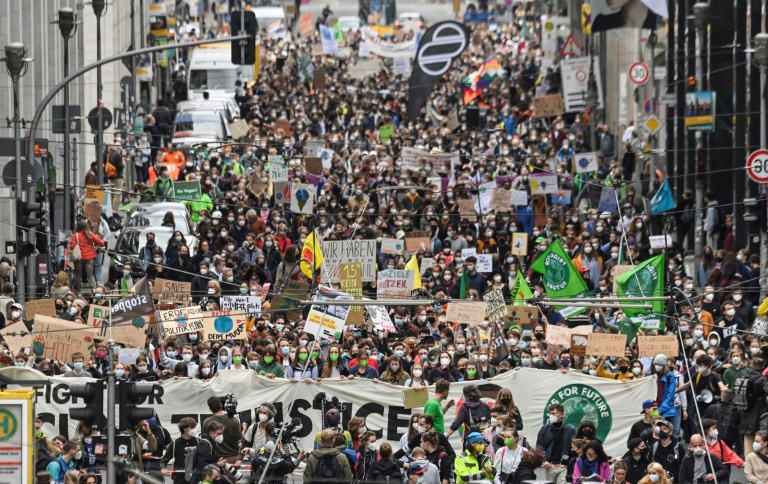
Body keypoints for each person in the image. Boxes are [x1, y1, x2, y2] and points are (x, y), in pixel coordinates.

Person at [536, 403, 575, 484]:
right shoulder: (544, 429)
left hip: (563, 466)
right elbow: (539, 446)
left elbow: (574, 448)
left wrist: (569, 462)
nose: (551, 415)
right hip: (549, 465)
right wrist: (544, 461)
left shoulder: (570, 430)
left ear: (560, 414)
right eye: (550, 413)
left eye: (553, 413)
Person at [201, 396, 242, 466]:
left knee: (215, 476)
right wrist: (244, 430)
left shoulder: (206, 422)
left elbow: (205, 440)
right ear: (221, 405)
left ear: (210, 409)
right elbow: (239, 440)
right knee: (233, 476)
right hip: (232, 458)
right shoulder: (234, 420)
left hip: (215, 459)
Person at [161, 417, 200, 484]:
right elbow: (164, 461)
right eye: (192, 428)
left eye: (195, 427)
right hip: (180, 479)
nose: (195, 430)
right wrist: (163, 468)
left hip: (195, 478)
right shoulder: (175, 443)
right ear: (184, 429)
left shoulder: (199, 442)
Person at [69, 220, 105, 292]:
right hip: (89, 257)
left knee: (78, 274)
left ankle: (78, 289)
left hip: (79, 257)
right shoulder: (90, 234)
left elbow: (72, 247)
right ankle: (94, 289)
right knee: (90, 274)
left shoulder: (76, 235)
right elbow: (101, 243)